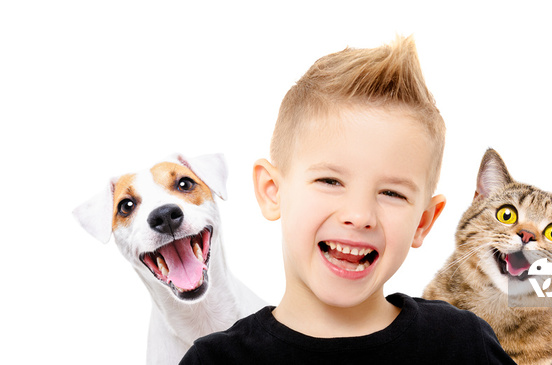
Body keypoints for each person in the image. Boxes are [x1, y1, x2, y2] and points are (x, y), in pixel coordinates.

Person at [180, 36, 515, 364]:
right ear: (272, 191)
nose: (359, 215)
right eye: (330, 181)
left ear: (423, 222)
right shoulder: (214, 361)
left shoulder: (462, 345)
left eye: (392, 193)